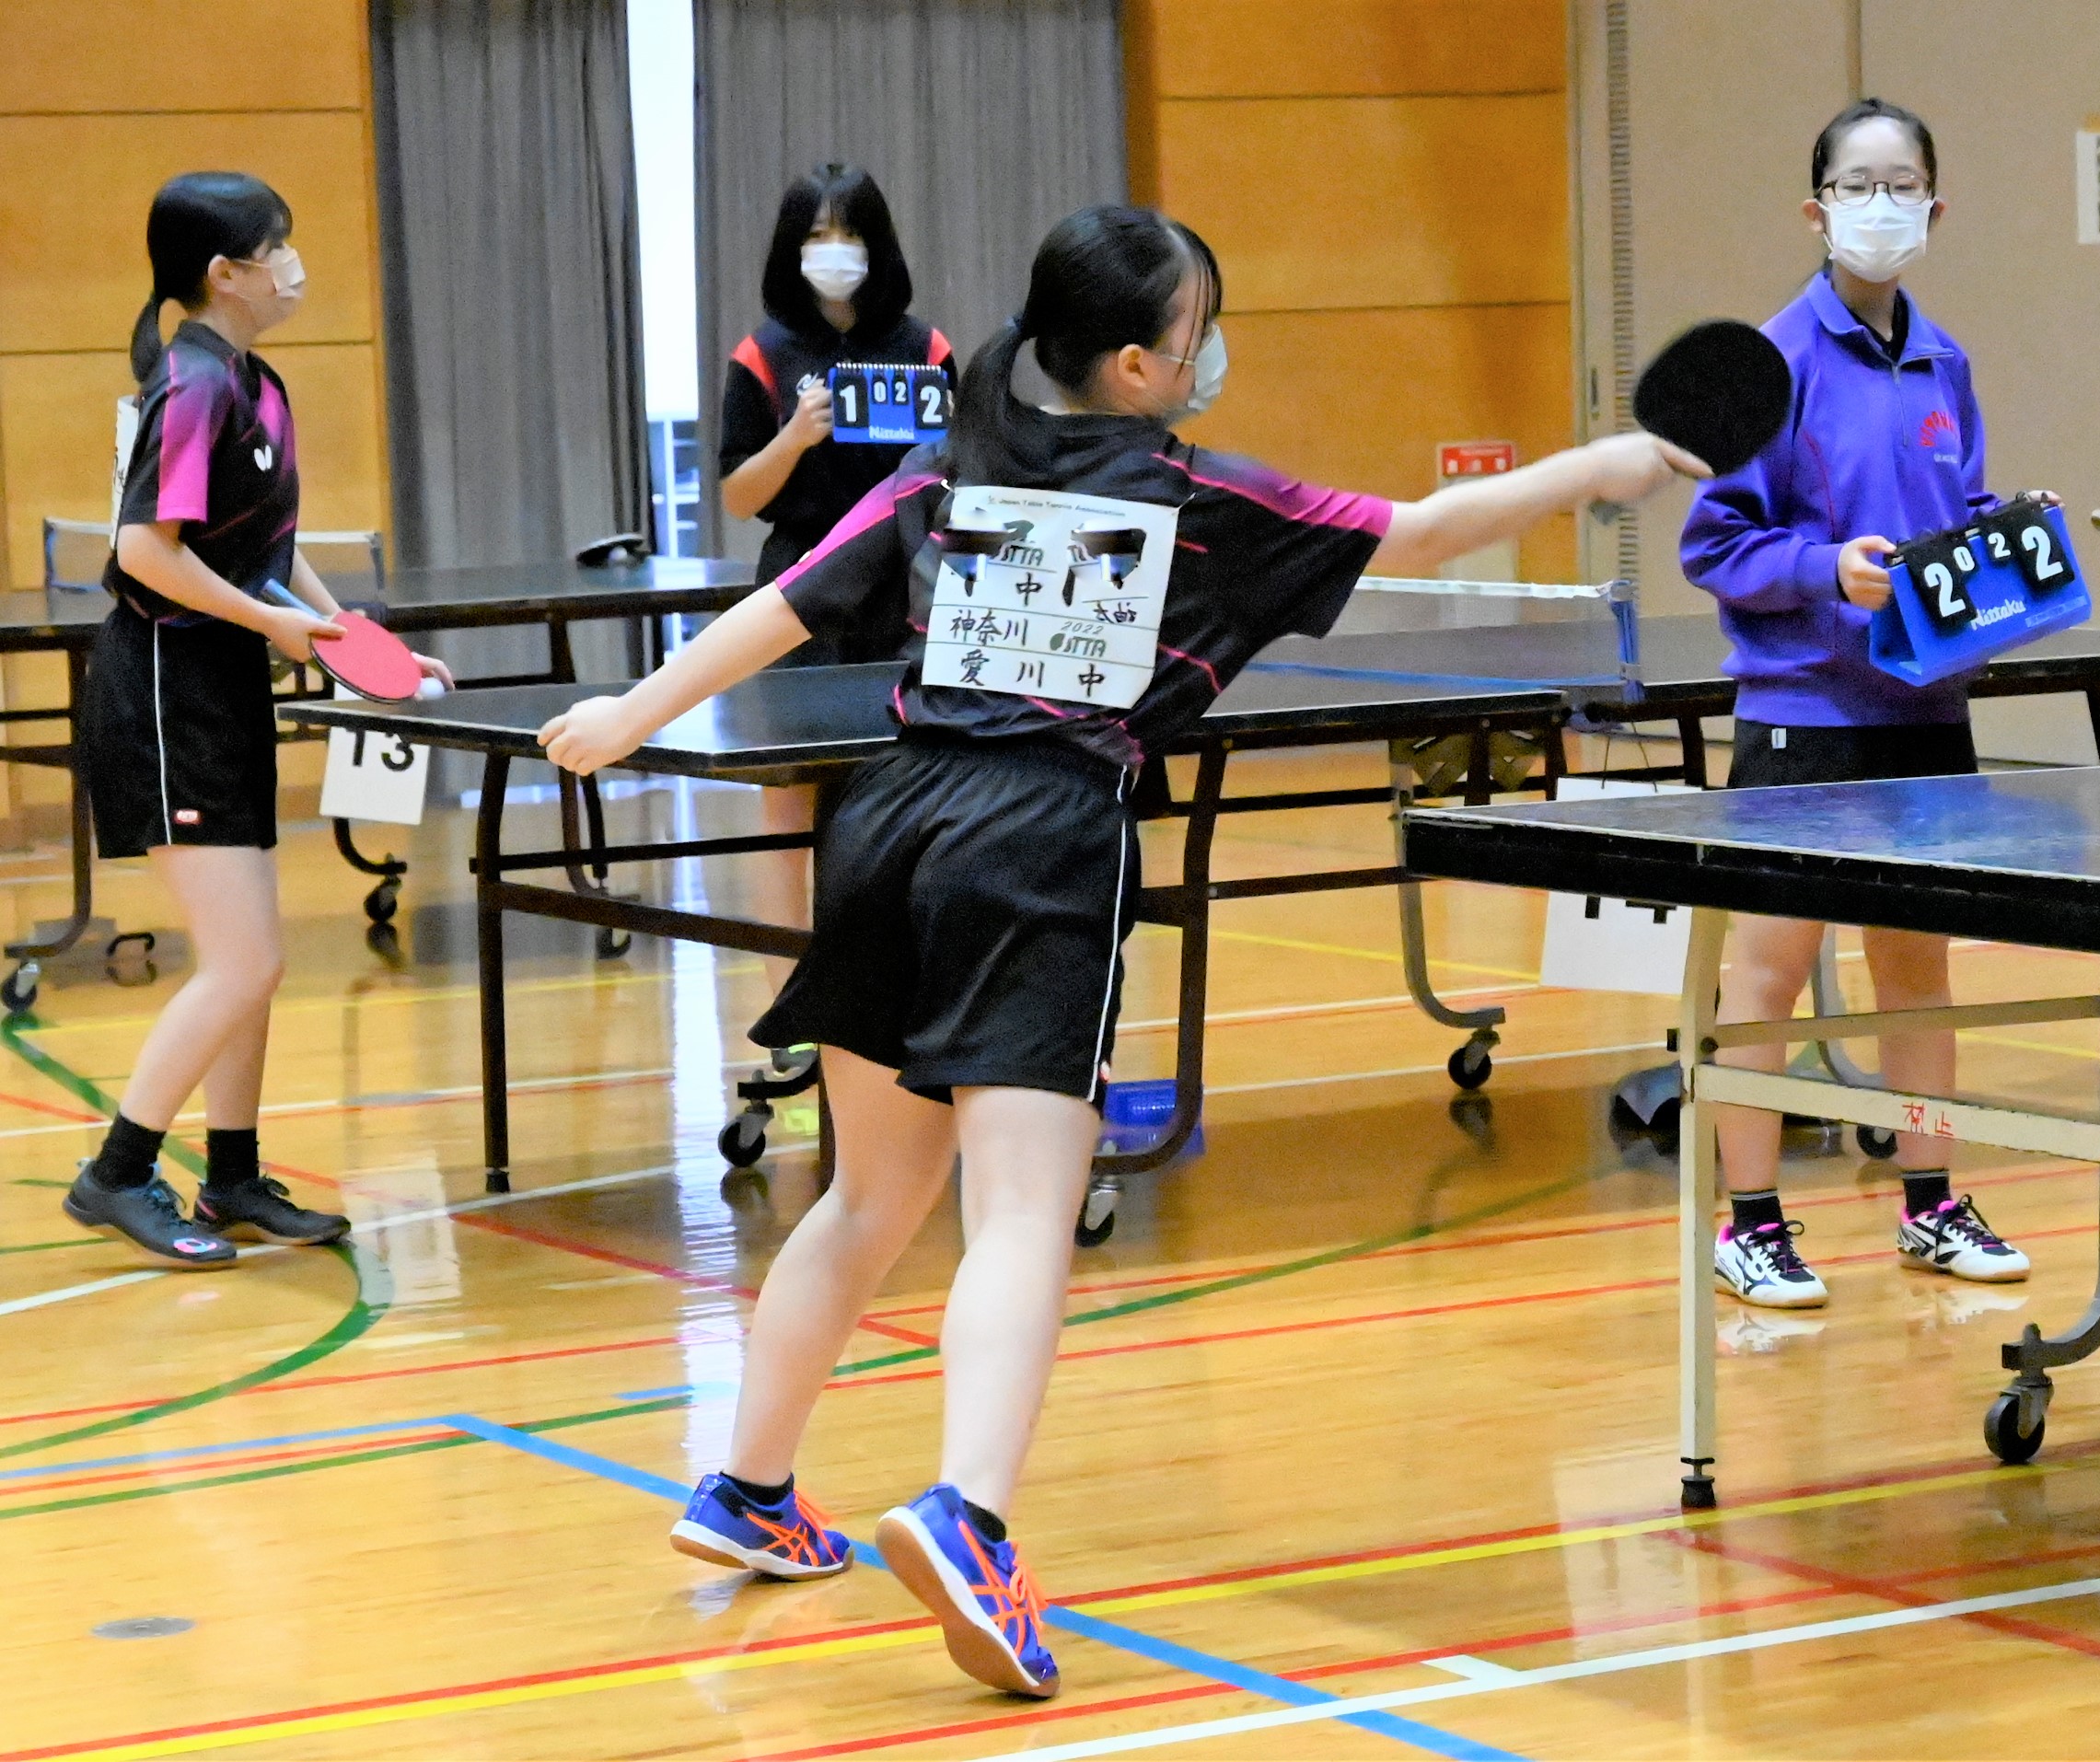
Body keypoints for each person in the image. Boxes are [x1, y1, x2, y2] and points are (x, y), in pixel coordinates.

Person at [540, 203, 1697, 1698]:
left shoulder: (955, 458)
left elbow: (790, 593)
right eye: (1199, 327)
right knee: (1026, 1206)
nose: (1213, 351)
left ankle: (750, 1486)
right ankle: (968, 1517)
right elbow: (1417, 534)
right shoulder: (1196, 497)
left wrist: (627, 715)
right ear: (1141, 363)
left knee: (868, 1194)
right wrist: (1601, 467)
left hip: (889, 823)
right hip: (1037, 838)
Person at [1682, 99, 2034, 1311]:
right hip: (1803, 713)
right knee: (1766, 977)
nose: (1880, 204)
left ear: (1935, 206)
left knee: (1915, 972)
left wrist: (1998, 541)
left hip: (1923, 710)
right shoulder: (1767, 361)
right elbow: (1714, 542)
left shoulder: (1946, 362)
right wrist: (1823, 569)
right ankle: (1748, 1224)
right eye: (1855, 184)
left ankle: (1930, 1204)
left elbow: (1953, 508)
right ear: (1814, 207)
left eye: (1901, 184)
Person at [61, 173, 449, 1267]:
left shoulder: (254, 381)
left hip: (224, 687)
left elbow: (267, 552)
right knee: (242, 963)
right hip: (164, 689)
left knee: (255, 959)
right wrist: (274, 627)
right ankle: (116, 1175)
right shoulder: (192, 387)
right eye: (276, 248)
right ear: (224, 273)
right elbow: (145, 553)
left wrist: (356, 641)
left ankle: (231, 1175)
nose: (293, 266)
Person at [716, 164, 953, 1011]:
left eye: (849, 232)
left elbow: (961, 473)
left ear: (877, 243)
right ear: (792, 249)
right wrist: (792, 440)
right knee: (788, 802)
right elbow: (737, 495)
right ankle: (787, 1008)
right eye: (817, 235)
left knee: (904, 793)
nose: (835, 250)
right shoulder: (762, 355)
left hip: (905, 586)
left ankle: (897, 993)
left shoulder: (926, 351)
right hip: (801, 587)